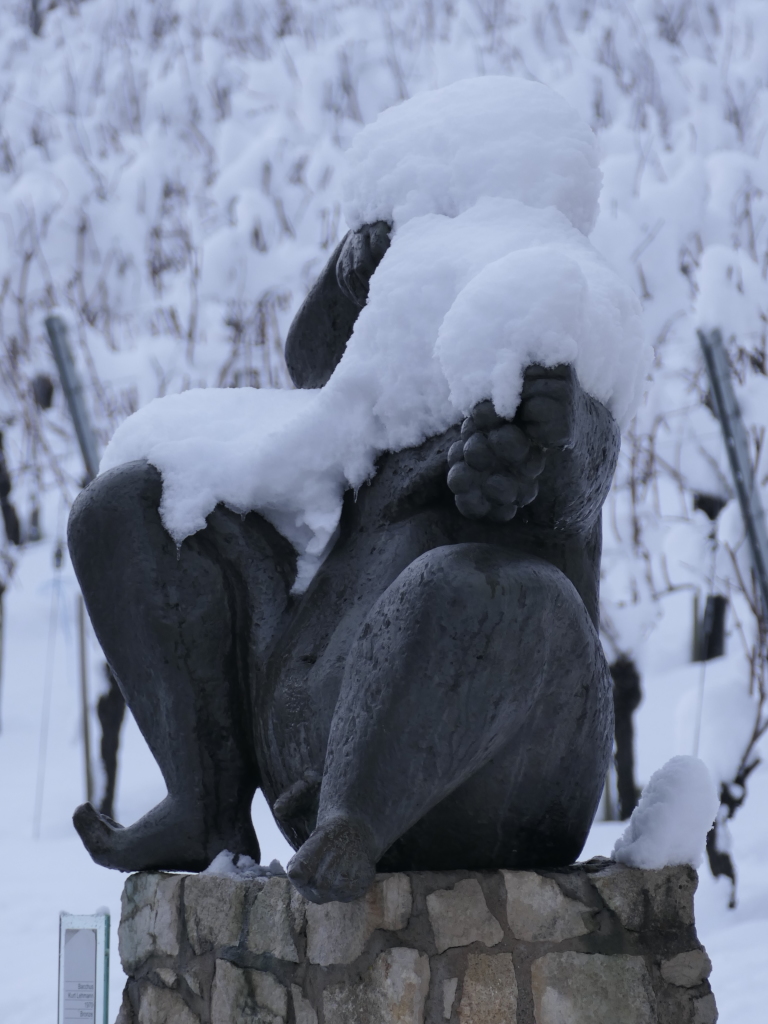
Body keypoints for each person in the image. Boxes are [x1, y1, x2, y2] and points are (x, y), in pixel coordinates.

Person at [69, 221, 619, 904]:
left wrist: (558, 426)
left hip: (497, 769)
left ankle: (358, 823)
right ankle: (203, 802)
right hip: (308, 739)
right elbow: (310, 359)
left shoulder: (554, 343)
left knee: (475, 587)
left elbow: (586, 467)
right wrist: (349, 274)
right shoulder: (391, 388)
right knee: (125, 508)